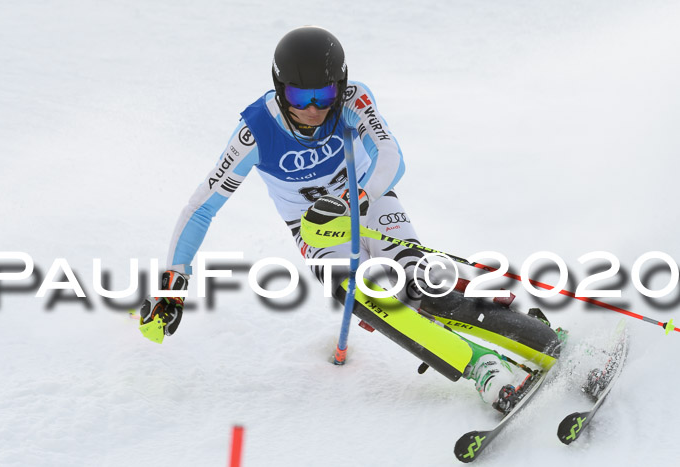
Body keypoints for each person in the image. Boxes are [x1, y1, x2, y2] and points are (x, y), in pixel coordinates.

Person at [138, 26, 535, 413]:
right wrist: (174, 282)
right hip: (316, 231)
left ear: (339, 85)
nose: (312, 108)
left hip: (371, 204)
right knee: (374, 299)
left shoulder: (352, 100)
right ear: (280, 89)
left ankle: (530, 334)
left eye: (323, 94)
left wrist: (356, 195)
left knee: (417, 284)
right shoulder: (255, 132)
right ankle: (484, 367)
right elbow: (202, 206)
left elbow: (390, 156)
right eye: (299, 95)